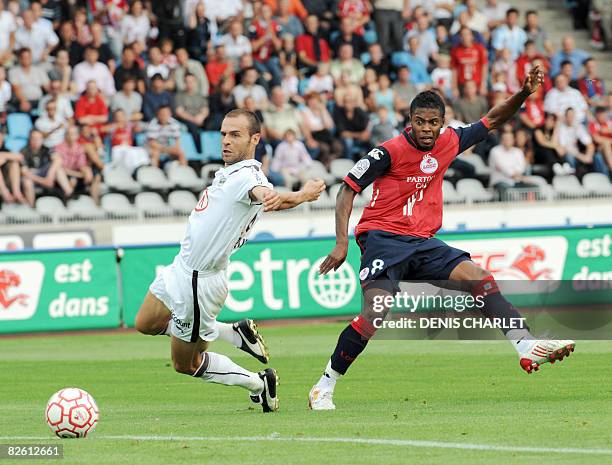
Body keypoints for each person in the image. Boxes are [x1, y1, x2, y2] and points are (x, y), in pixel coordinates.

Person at [308, 66, 576, 410]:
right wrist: (342, 242)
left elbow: (492, 119)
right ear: (410, 120)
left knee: (479, 278)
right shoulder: (388, 151)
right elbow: (348, 189)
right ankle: (324, 386)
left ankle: (526, 346)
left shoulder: (450, 140)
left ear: (442, 122)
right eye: (420, 122)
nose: (426, 129)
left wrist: (523, 94)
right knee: (374, 315)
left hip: (422, 242)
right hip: (383, 240)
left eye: (433, 122)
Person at [134, 109, 325, 413]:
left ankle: (258, 383)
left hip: (199, 283)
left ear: (255, 139)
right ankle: (229, 332)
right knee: (145, 323)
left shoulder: (248, 177)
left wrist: (302, 195)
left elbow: (268, 196)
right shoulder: (230, 172)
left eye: (235, 135)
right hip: (181, 267)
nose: (225, 141)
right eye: (223, 133)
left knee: (185, 364)